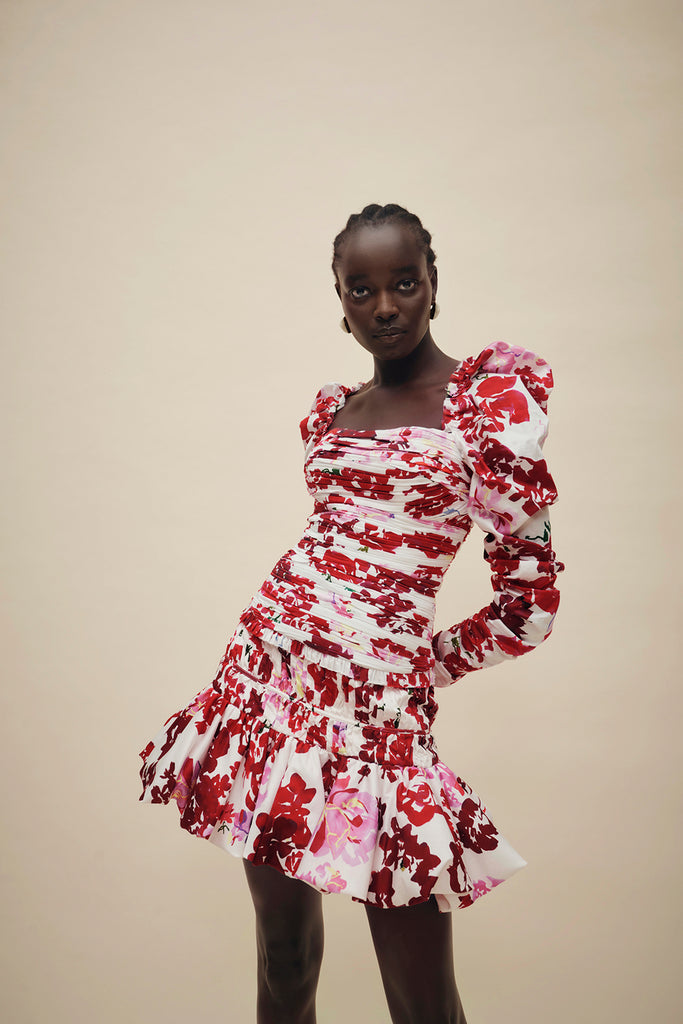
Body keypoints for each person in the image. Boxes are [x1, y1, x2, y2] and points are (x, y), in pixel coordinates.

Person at [139, 203, 563, 1024]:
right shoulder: (333, 411)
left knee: (422, 1003)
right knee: (284, 958)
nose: (385, 306)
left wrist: (417, 663)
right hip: (268, 690)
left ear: (433, 285)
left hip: (378, 717)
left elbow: (530, 607)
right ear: (339, 301)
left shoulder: (486, 411)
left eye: (404, 283)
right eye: (360, 289)